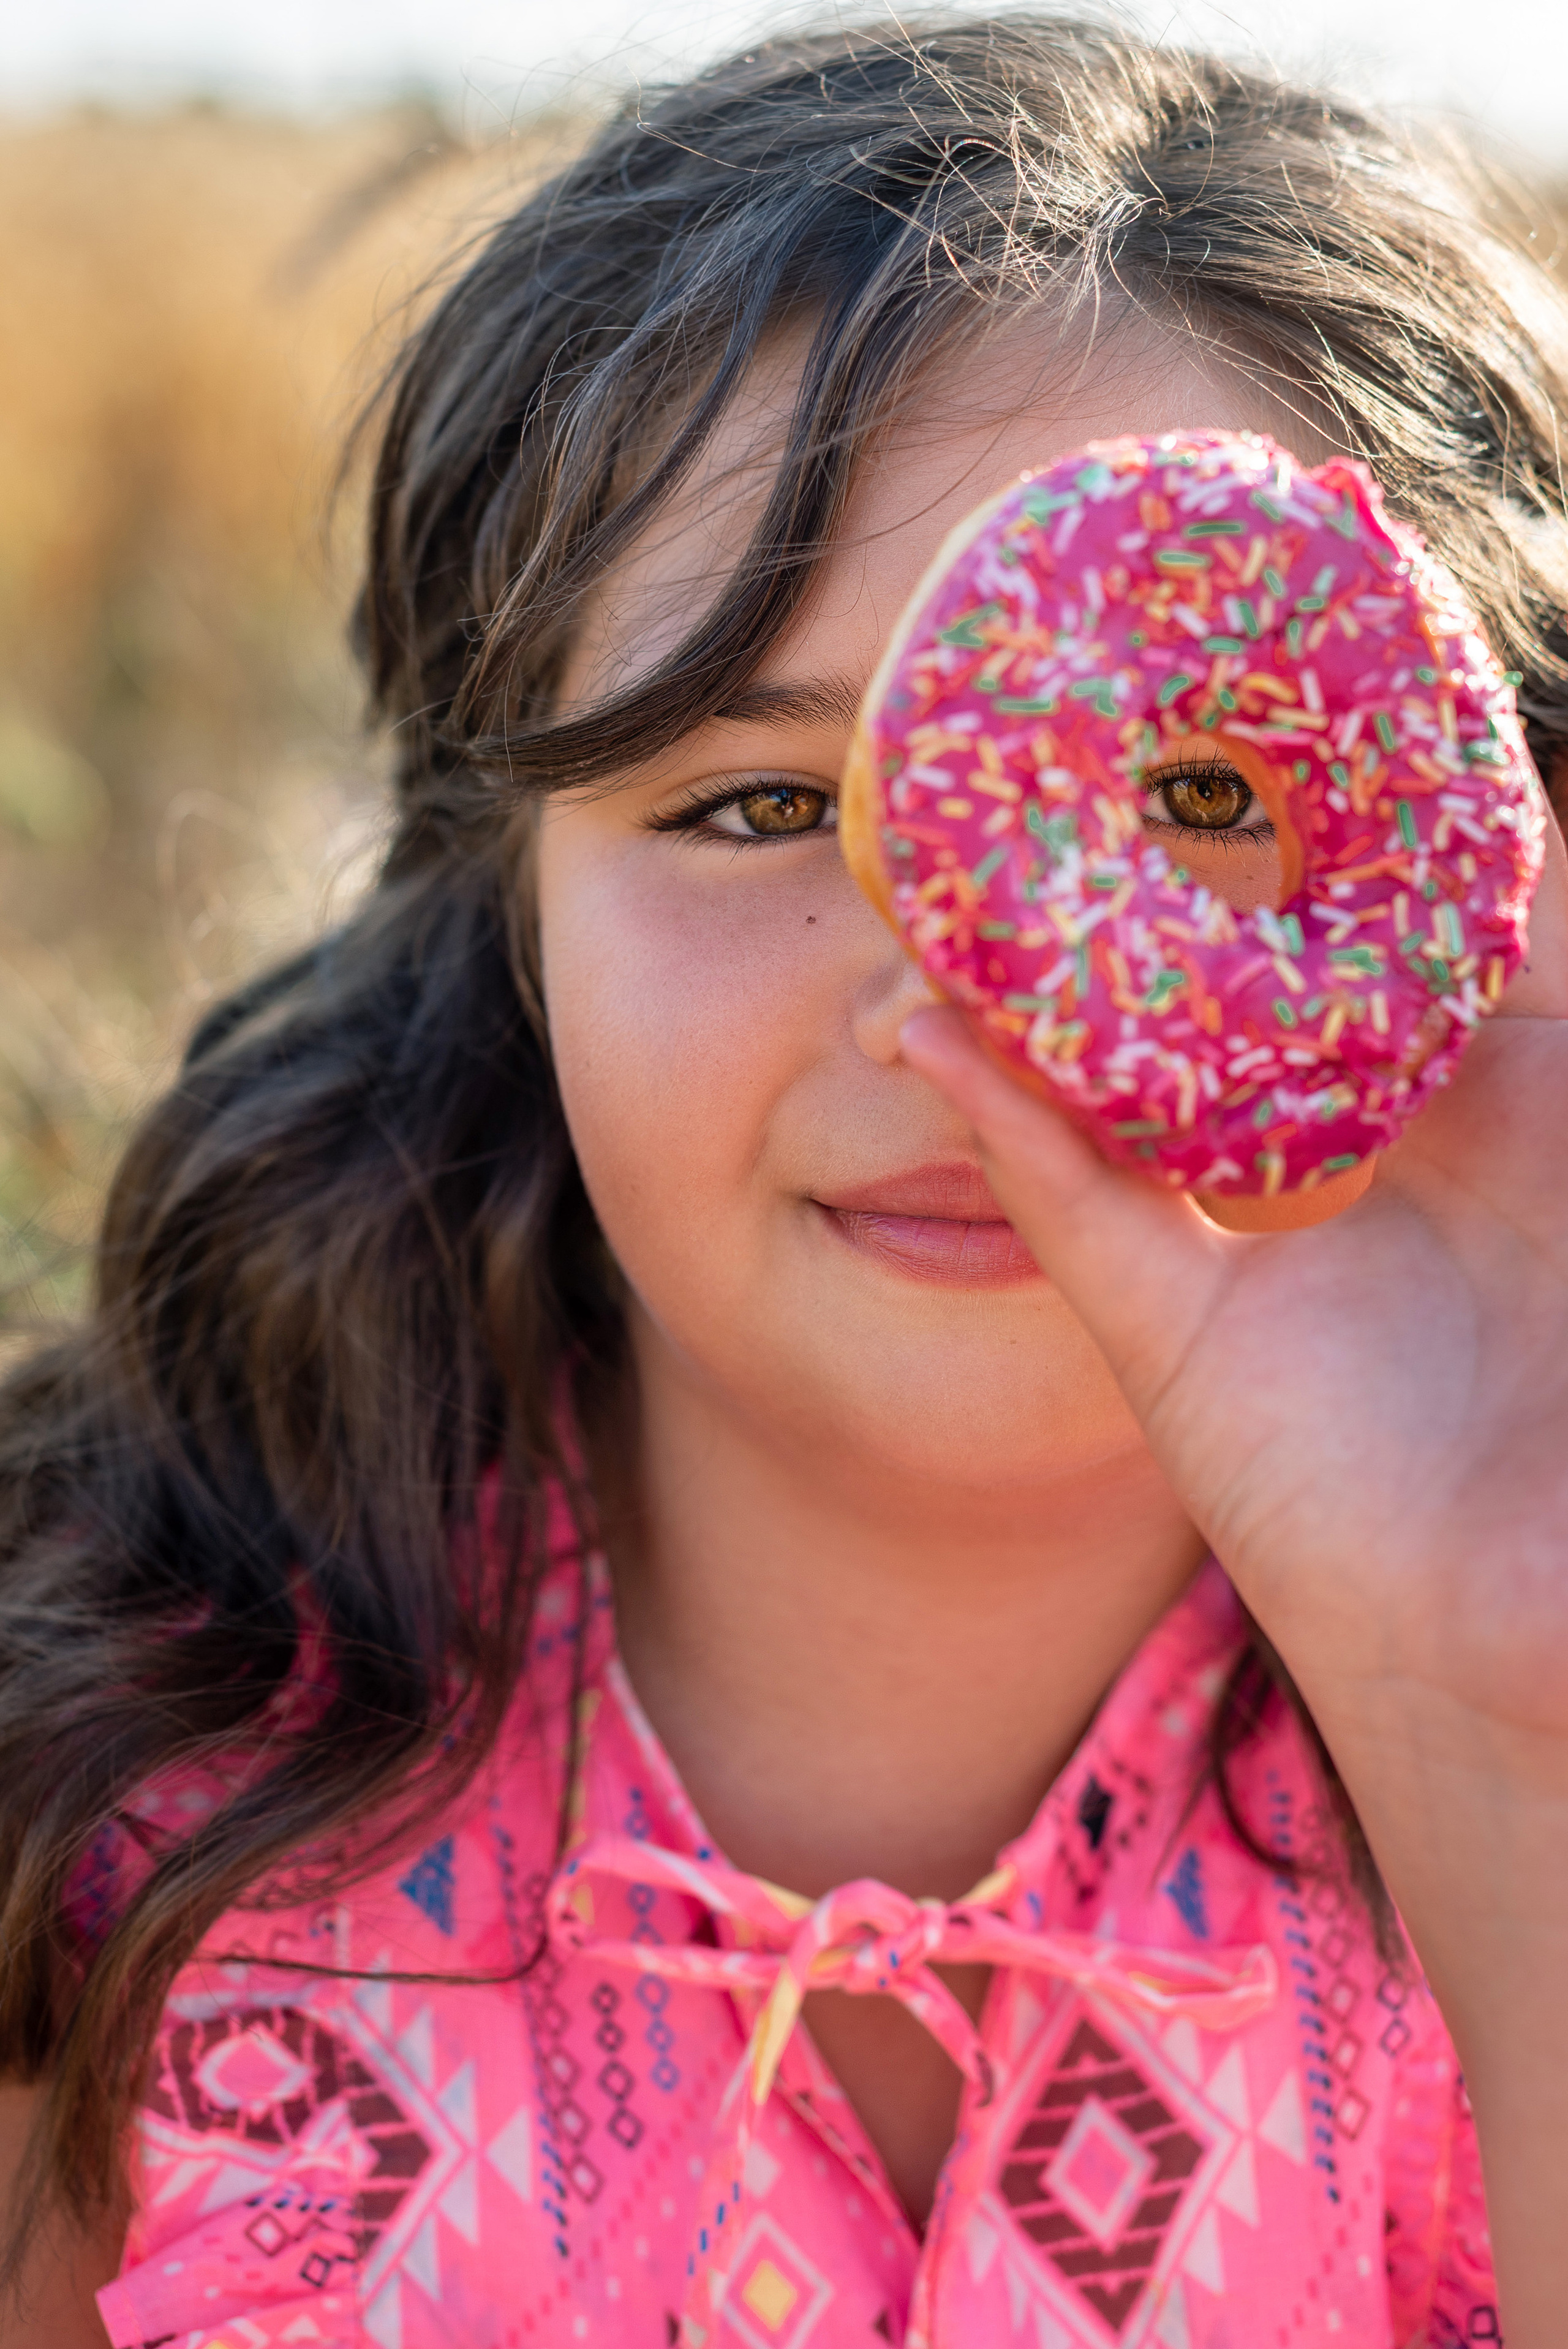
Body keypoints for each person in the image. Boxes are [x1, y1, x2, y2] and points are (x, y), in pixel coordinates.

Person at [2, 16, 1567, 2345]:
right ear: (501, 897)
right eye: (755, 805)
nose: (965, 1003)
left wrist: (1497, 1737)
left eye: (1209, 796)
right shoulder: (101, 1814)